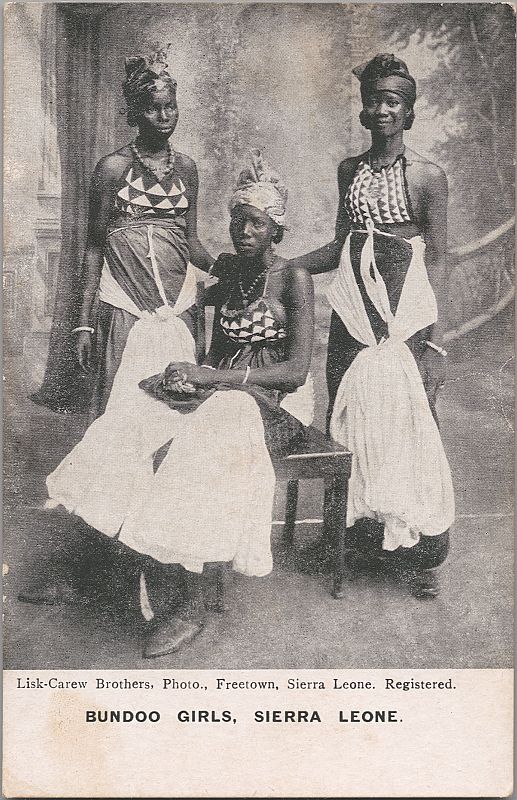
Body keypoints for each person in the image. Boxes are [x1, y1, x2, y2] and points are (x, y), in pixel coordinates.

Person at [39, 150, 315, 657]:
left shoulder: (292, 277)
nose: (244, 232)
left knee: (199, 448)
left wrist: (213, 377)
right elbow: (203, 337)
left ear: (277, 229)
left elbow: (296, 372)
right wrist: (185, 379)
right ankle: (100, 568)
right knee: (128, 419)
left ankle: (192, 601)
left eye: (256, 224)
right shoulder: (233, 272)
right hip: (222, 392)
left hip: (273, 407)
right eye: (237, 222)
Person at [19, 45, 215, 607]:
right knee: (116, 439)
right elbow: (93, 249)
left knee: (173, 437)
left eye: (170, 106)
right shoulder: (112, 169)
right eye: (153, 108)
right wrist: (83, 325)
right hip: (122, 319)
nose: (164, 116)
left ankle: (158, 555)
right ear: (135, 111)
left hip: (175, 318)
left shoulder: (188, 170)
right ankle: (101, 570)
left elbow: (192, 241)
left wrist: (231, 267)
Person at [290, 54, 454, 597]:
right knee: (348, 422)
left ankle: (417, 551)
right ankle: (351, 541)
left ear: (408, 112)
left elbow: (440, 261)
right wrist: (289, 265)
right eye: (374, 99)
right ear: (363, 108)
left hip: (405, 321)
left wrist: (436, 342)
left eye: (393, 101)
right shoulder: (349, 171)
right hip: (350, 317)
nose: (381, 109)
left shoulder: (428, 177)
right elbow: (342, 247)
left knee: (409, 425)